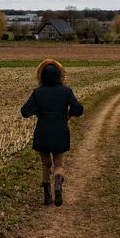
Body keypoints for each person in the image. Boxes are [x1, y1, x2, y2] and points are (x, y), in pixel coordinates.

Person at [20, 58, 84, 206]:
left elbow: (24, 112)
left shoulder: (38, 93)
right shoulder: (66, 92)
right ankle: (58, 184)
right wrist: (68, 115)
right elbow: (79, 109)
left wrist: (39, 112)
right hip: (60, 132)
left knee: (45, 164)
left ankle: (47, 195)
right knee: (59, 164)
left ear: (41, 76)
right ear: (59, 76)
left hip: (42, 133)